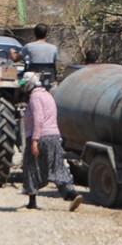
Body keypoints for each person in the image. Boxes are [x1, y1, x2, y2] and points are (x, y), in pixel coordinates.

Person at [20, 73, 82, 211]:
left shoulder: (35, 97)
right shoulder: (48, 95)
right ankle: (72, 193)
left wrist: (35, 141)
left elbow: (38, 119)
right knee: (57, 166)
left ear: (30, 84)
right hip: (54, 136)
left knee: (30, 166)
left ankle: (32, 200)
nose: (23, 86)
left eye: (24, 83)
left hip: (41, 136)